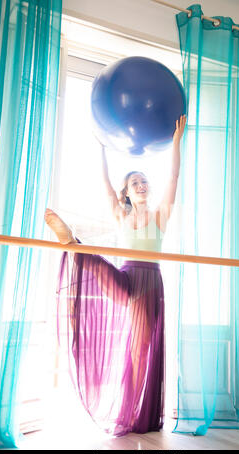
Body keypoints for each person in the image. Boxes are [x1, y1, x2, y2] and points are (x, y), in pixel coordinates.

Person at [44, 115, 186, 437]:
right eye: (135, 182)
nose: (141, 185)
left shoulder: (160, 216)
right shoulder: (121, 215)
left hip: (150, 282)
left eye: (144, 181)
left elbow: (174, 178)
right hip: (125, 278)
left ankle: (134, 412)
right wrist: (102, 148)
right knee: (96, 260)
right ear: (127, 192)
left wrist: (176, 142)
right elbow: (105, 183)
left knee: (140, 351)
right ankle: (74, 243)